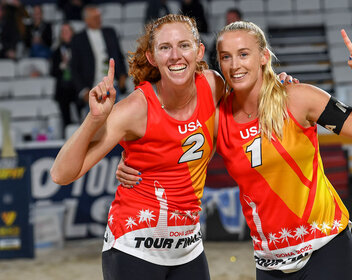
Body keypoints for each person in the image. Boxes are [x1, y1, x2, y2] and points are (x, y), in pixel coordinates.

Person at [116, 22, 352, 279]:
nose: (235, 65)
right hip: (269, 261)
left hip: (326, 248)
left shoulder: (298, 98)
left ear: (263, 57)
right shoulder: (218, 117)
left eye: (244, 54)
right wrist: (131, 161)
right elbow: (176, 150)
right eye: (226, 57)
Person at [51, 14, 225, 280]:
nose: (175, 55)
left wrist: (282, 83)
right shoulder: (135, 109)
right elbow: (61, 174)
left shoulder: (214, 85)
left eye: (184, 45)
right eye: (165, 47)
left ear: (200, 51)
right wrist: (94, 119)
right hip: (135, 247)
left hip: (187, 248)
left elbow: (236, 122)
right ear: (152, 57)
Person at [70, 5, 127, 118]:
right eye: (95, 17)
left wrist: (122, 76)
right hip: (92, 89)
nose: (98, 20)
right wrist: (83, 91)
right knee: (94, 126)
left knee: (116, 122)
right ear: (86, 20)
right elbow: (74, 68)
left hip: (113, 86)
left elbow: (119, 56)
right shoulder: (78, 39)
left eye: (99, 17)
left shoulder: (110, 33)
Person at [51, 22, 79, 137]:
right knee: (65, 118)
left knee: (82, 115)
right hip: (63, 88)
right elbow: (52, 72)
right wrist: (61, 66)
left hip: (77, 87)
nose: (65, 34)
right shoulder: (57, 51)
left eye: (68, 31)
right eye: (63, 32)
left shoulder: (79, 49)